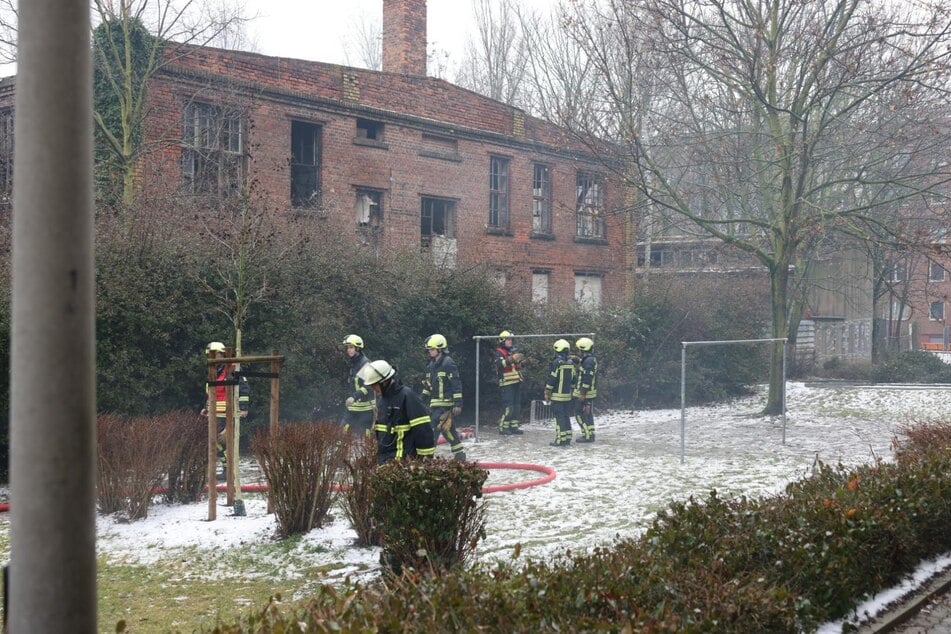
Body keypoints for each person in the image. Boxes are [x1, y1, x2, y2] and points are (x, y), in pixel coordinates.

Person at [357, 359, 435, 464]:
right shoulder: (382, 401)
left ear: (385, 382)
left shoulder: (407, 396)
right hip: (386, 463)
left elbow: (423, 430)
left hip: (404, 463)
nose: (372, 389)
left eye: (374, 385)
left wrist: (425, 461)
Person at [201, 341, 249, 475]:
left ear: (221, 354)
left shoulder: (232, 369)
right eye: (209, 356)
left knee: (224, 443)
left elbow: (244, 389)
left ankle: (230, 471)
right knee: (215, 442)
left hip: (228, 413)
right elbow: (211, 392)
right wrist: (206, 407)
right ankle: (227, 470)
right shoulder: (213, 371)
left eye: (214, 355)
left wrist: (243, 407)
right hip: (214, 413)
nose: (211, 358)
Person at [421, 334, 466, 460]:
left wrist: (458, 404)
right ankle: (460, 455)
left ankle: (427, 458)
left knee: (432, 430)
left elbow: (456, 384)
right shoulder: (431, 365)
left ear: (439, 349)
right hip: (435, 405)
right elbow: (428, 387)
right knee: (448, 432)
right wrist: (421, 401)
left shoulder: (448, 363)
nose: (429, 352)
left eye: (431, 349)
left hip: (445, 406)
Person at [341, 334, 374, 435]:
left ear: (358, 348)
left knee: (365, 436)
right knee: (343, 432)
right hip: (353, 406)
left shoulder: (365, 364)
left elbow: (368, 386)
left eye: (351, 347)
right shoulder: (353, 363)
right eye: (347, 348)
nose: (348, 350)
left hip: (366, 408)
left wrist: (354, 397)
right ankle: (342, 451)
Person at [544, 339, 575, 447]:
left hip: (557, 396)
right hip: (567, 396)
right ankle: (567, 438)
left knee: (559, 418)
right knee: (566, 416)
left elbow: (552, 378)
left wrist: (547, 391)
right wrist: (571, 391)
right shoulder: (570, 363)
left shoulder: (557, 363)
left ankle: (560, 440)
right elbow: (573, 379)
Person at [494, 330, 525, 435]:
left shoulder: (512, 352)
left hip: (516, 382)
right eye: (508, 339)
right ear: (502, 340)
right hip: (506, 383)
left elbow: (517, 367)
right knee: (508, 406)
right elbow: (500, 364)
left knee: (516, 406)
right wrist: (512, 359)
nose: (510, 341)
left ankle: (514, 426)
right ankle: (503, 427)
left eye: (511, 339)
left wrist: (524, 362)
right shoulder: (499, 352)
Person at [572, 337, 598, 443]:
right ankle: (590, 433)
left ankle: (587, 435)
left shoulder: (588, 362)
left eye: (579, 349)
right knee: (588, 414)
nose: (578, 351)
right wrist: (577, 360)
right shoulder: (589, 360)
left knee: (579, 413)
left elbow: (587, 378)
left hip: (585, 393)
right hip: (589, 392)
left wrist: (582, 393)